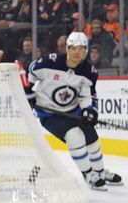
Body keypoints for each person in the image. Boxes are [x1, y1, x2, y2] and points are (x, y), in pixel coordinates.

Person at [26, 32, 122, 190]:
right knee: (74, 136)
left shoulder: (88, 71)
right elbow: (31, 69)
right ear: (67, 49)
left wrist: (89, 110)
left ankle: (100, 171)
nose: (77, 52)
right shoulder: (51, 61)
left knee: (91, 136)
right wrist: (29, 89)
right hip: (49, 113)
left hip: (72, 110)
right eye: (73, 48)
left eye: (81, 48)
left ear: (86, 50)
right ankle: (89, 174)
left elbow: (87, 96)